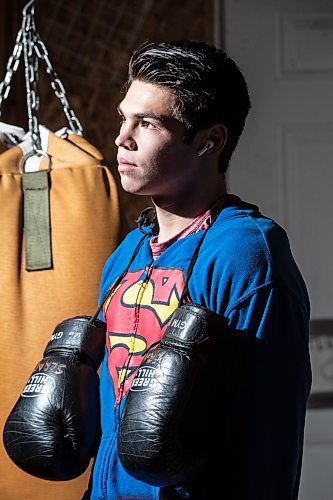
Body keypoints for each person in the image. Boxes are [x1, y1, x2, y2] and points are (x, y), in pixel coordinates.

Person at [86, 40, 311, 499]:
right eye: (123, 117)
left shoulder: (246, 253)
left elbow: (268, 434)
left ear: (210, 141)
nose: (121, 138)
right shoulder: (127, 252)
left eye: (147, 123)